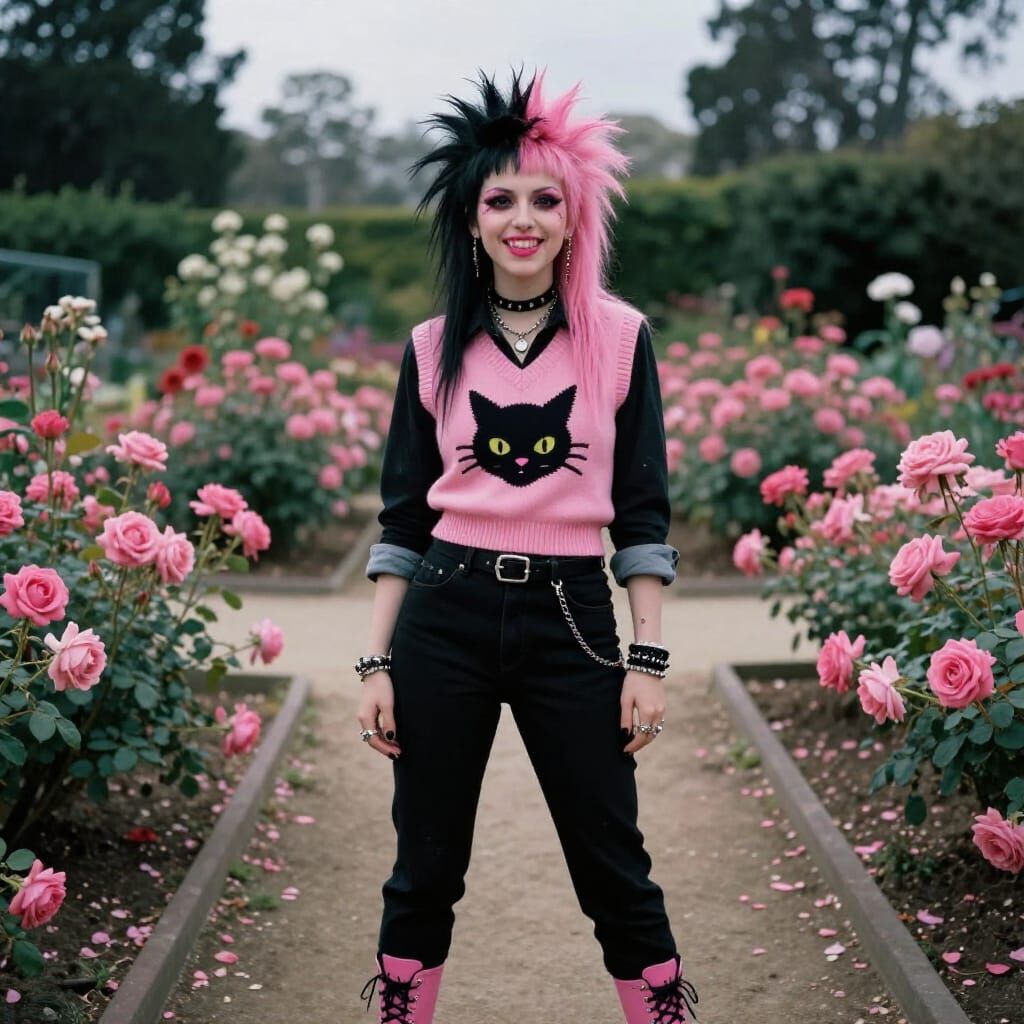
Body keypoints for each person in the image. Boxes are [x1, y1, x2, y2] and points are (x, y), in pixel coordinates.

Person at [356, 67, 700, 1024]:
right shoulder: (431, 347)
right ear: (470, 219)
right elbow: (403, 519)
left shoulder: (620, 339)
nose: (523, 218)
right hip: (444, 614)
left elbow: (641, 515)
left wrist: (648, 659)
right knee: (425, 863)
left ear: (574, 215)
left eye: (545, 200)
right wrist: (376, 662)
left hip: (572, 618)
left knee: (611, 859)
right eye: (499, 199)